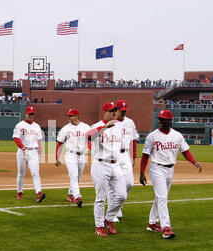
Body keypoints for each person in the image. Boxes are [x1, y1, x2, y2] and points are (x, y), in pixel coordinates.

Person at [139, 110, 202, 239]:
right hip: (157, 168)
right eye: (159, 119)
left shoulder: (177, 135)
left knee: (160, 197)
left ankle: (152, 223)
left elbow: (185, 152)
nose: (160, 121)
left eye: (163, 119)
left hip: (170, 169)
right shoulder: (152, 136)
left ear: (170, 121)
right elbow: (145, 155)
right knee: (162, 197)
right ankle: (166, 228)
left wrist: (194, 162)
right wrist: (141, 172)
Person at [85, 102, 127, 237]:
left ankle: (108, 218)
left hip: (115, 165)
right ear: (105, 112)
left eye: (115, 110)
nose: (114, 112)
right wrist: (104, 126)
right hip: (100, 164)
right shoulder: (97, 126)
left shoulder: (119, 127)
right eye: (111, 111)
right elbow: (88, 136)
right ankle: (99, 226)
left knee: (122, 195)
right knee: (101, 198)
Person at [108, 100, 139, 222]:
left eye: (125, 111)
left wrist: (134, 156)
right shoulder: (112, 123)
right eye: (122, 111)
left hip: (125, 154)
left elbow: (134, 140)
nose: (124, 113)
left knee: (130, 183)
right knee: (112, 186)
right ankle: (112, 213)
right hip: (114, 154)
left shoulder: (130, 122)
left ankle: (118, 205)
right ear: (117, 111)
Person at [55, 108, 91, 208]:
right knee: (74, 176)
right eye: (69, 116)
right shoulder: (65, 128)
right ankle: (77, 197)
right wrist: (57, 157)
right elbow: (60, 143)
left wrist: (89, 147)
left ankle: (70, 194)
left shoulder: (86, 127)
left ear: (76, 116)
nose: (69, 117)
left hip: (82, 155)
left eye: (71, 116)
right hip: (70, 155)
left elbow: (90, 139)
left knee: (78, 177)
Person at [12, 105, 46, 202]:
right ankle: (20, 192)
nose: (31, 115)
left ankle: (38, 193)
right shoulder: (20, 125)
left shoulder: (37, 126)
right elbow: (16, 138)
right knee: (21, 173)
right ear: (25, 114)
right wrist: (23, 148)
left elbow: (39, 140)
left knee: (35, 173)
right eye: (29, 114)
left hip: (33, 151)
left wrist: (40, 153)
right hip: (22, 152)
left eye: (32, 114)